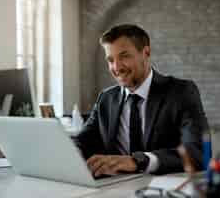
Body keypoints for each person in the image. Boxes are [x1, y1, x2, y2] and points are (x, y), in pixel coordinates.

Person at [73, 24, 209, 176]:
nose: (116, 67)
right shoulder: (106, 98)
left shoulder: (181, 92)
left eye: (124, 56)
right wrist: (69, 152)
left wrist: (137, 161)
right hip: (113, 189)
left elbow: (198, 152)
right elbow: (83, 140)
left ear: (146, 52)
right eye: (110, 60)